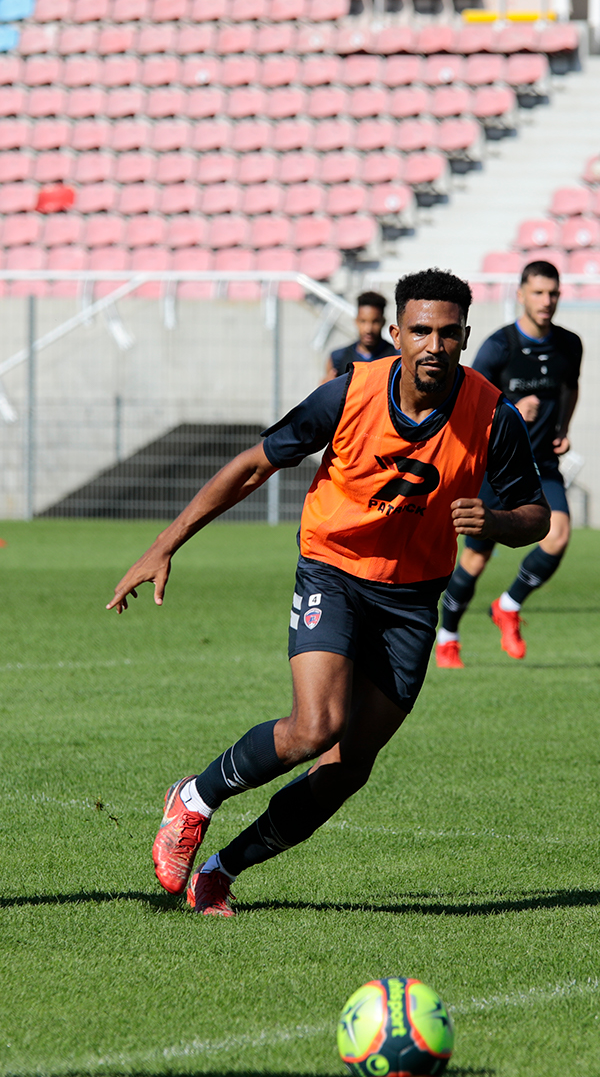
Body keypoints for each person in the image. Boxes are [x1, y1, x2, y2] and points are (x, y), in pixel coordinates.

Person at [108, 269, 550, 916]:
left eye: (448, 333)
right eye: (421, 330)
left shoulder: (491, 414)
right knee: (316, 726)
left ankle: (221, 871)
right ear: (396, 333)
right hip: (334, 570)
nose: (434, 345)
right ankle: (195, 799)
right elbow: (256, 464)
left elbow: (534, 513)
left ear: (464, 337)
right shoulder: (348, 395)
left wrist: (500, 522)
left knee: (349, 769)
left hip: (412, 599)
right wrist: (166, 543)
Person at [435, 260, 581, 666]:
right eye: (538, 292)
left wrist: (563, 427)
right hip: (496, 465)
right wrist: (514, 408)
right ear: (520, 294)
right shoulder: (498, 347)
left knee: (559, 534)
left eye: (552, 293)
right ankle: (448, 634)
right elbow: (465, 404)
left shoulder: (570, 345)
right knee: (475, 558)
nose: (546, 301)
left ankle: (509, 605)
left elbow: (571, 389)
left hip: (543, 463)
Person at [323, 290, 398, 381]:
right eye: (363, 321)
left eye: (375, 322)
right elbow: (328, 391)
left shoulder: (396, 357)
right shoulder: (338, 357)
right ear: (356, 321)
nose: (368, 329)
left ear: (383, 322)